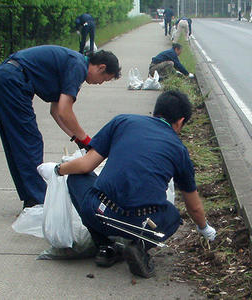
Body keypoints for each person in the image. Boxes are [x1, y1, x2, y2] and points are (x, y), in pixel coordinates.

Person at [38, 90, 217, 278]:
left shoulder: (123, 122)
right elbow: (193, 206)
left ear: (156, 111)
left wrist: (58, 170)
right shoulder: (179, 150)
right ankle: (139, 246)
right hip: (141, 222)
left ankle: (105, 247)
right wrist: (204, 228)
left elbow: (85, 165)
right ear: (180, 122)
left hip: (101, 211)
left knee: (76, 178)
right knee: (172, 215)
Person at [0, 46, 121, 208]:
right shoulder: (78, 67)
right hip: (13, 81)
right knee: (30, 141)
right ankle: (37, 199)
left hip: (4, 77)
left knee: (17, 142)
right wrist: (86, 139)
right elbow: (65, 111)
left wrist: (75, 137)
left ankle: (31, 197)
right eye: (104, 79)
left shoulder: (73, 63)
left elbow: (56, 111)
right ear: (101, 68)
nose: (100, 83)